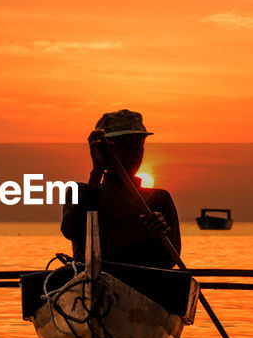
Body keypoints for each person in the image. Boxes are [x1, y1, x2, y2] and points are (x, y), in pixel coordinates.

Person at [61, 110, 182, 268]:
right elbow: (73, 231)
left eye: (137, 146)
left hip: (144, 285)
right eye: (123, 146)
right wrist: (97, 171)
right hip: (90, 284)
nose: (133, 153)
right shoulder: (79, 192)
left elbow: (170, 261)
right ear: (103, 149)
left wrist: (157, 235)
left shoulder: (158, 198)